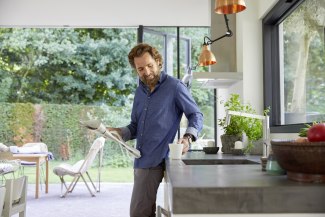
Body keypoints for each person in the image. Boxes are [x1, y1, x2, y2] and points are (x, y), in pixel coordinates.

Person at [109, 43, 203, 217]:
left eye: (149, 66)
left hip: (155, 161)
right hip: (140, 160)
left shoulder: (174, 87)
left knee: (138, 213)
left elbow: (196, 114)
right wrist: (118, 132)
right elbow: (135, 127)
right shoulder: (140, 92)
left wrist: (187, 137)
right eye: (140, 69)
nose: (146, 72)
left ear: (158, 62)